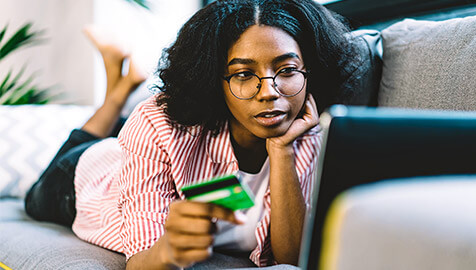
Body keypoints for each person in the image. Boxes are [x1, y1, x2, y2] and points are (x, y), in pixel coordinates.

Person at [25, 0, 361, 269]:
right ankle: (117, 93)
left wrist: (283, 151)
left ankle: (120, 86)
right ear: (216, 82)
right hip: (87, 178)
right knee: (40, 190)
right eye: (244, 74)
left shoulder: (311, 131)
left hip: (136, 151)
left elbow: (290, 259)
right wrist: (167, 249)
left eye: (286, 70)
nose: (270, 92)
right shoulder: (158, 123)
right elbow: (142, 260)